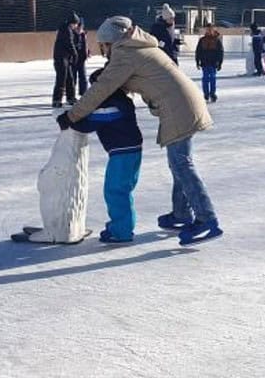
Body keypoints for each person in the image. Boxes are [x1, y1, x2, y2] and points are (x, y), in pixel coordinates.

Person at [57, 15, 223, 246]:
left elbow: (101, 91)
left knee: (181, 163)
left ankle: (206, 219)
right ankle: (182, 213)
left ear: (111, 42)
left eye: (103, 46)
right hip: (186, 103)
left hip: (179, 109)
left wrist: (72, 115)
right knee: (179, 163)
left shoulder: (125, 53)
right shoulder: (138, 47)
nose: (103, 51)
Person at [70, 67, 143, 243]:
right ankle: (122, 226)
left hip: (122, 152)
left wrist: (70, 120)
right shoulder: (119, 100)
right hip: (131, 150)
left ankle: (122, 231)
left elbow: (90, 123)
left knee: (115, 190)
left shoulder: (111, 105)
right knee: (123, 190)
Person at [52, 12, 79, 108]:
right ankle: (57, 99)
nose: (76, 26)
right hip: (61, 58)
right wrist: (75, 54)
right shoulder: (66, 30)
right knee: (61, 79)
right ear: (73, 23)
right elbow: (69, 43)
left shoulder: (66, 29)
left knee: (69, 78)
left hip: (65, 58)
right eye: (76, 24)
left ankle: (71, 97)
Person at [195, 22, 224, 102]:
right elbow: (198, 51)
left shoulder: (217, 40)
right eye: (207, 29)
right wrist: (197, 61)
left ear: (213, 29)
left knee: (212, 78)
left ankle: (212, 93)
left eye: (210, 29)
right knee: (205, 78)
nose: (209, 31)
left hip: (213, 62)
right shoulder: (202, 40)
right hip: (205, 62)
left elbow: (220, 52)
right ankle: (206, 93)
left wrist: (220, 62)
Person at [72, 18, 90, 96]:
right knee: (73, 76)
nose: (79, 29)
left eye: (81, 27)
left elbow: (85, 45)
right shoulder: (71, 35)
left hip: (82, 58)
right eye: (78, 27)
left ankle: (83, 92)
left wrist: (87, 52)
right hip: (73, 58)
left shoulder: (83, 35)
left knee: (82, 76)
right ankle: (71, 93)